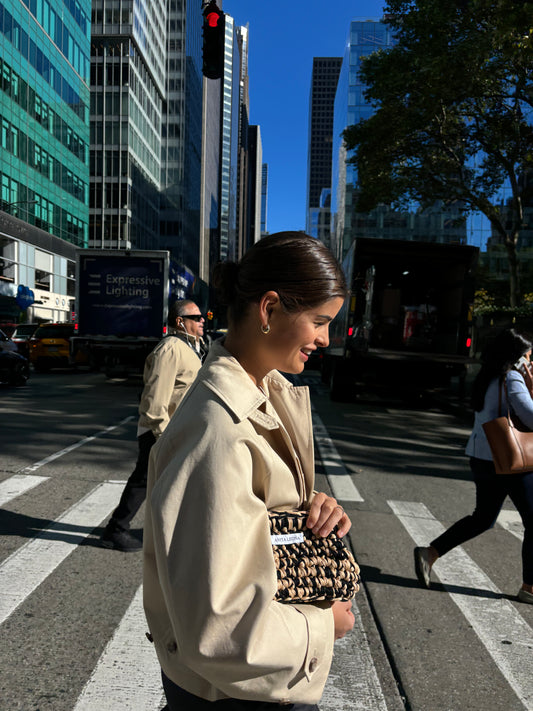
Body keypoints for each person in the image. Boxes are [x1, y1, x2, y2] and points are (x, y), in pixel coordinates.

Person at [143, 232, 356, 710]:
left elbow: (253, 515)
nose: (325, 339)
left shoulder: (264, 395)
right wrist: (326, 625)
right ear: (270, 309)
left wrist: (309, 508)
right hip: (236, 691)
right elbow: (218, 628)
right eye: (319, 321)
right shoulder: (218, 430)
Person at [414, 328, 533, 605]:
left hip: (482, 457)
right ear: (517, 357)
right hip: (510, 461)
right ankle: (530, 586)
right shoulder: (512, 378)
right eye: (529, 355)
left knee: (483, 517)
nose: (531, 360)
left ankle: (429, 553)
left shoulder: (487, 377)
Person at [101, 299, 206, 552]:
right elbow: (154, 400)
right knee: (143, 481)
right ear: (180, 322)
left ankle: (171, 529)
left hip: (178, 431)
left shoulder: (191, 347)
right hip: (160, 432)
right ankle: (115, 530)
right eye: (197, 317)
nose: (203, 320)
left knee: (176, 482)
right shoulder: (170, 349)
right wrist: (164, 437)